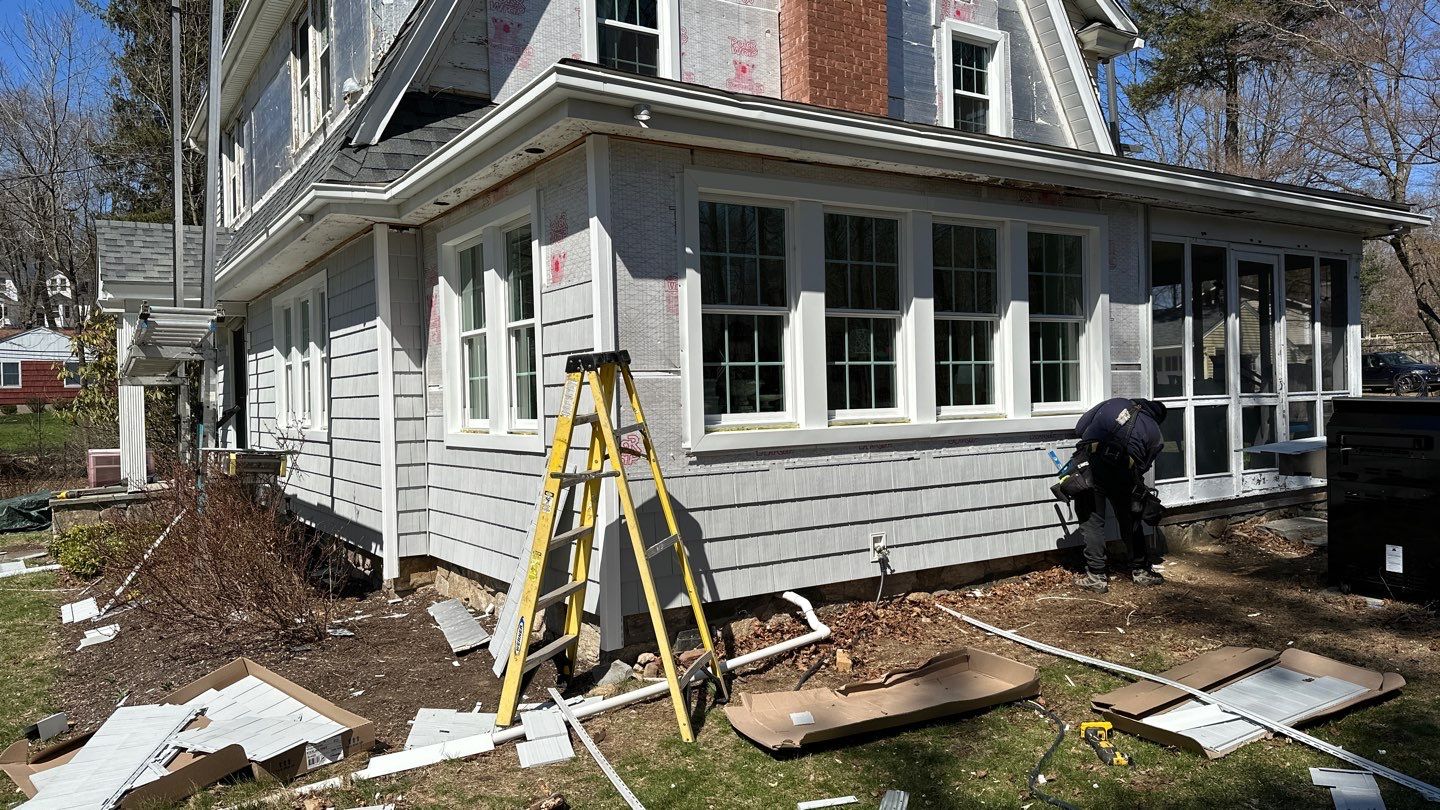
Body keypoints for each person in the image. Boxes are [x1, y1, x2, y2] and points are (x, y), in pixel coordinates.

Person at [1070, 397, 1168, 594]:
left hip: (1092, 464)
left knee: (1092, 519)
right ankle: (1140, 571)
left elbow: (1080, 428)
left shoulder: (1114, 403)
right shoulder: (1156, 436)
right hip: (1124, 472)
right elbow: (1142, 467)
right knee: (1130, 519)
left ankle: (1096, 576)